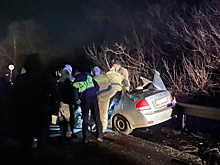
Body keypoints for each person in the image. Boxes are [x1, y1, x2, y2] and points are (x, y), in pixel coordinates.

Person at [11, 53, 57, 152]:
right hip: (41, 112)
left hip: (25, 114)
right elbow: (56, 93)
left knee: (25, 143)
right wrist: (53, 108)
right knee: (43, 142)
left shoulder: (20, 79)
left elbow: (13, 96)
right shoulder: (45, 77)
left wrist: (14, 112)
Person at [72, 69, 103, 143]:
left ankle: (85, 138)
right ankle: (100, 136)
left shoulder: (75, 82)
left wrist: (78, 102)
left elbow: (75, 95)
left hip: (85, 100)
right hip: (94, 98)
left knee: (85, 118)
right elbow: (97, 86)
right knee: (97, 117)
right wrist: (94, 93)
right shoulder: (89, 77)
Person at [57, 64, 77, 138]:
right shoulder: (71, 81)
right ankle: (69, 134)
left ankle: (63, 134)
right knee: (69, 120)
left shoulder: (58, 81)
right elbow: (73, 93)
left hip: (60, 103)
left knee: (61, 120)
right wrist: (75, 104)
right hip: (69, 104)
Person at [92, 66, 111, 132]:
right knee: (105, 113)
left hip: (98, 98)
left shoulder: (94, 78)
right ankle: (104, 127)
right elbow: (110, 87)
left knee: (98, 113)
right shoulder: (105, 77)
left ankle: (99, 127)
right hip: (106, 98)